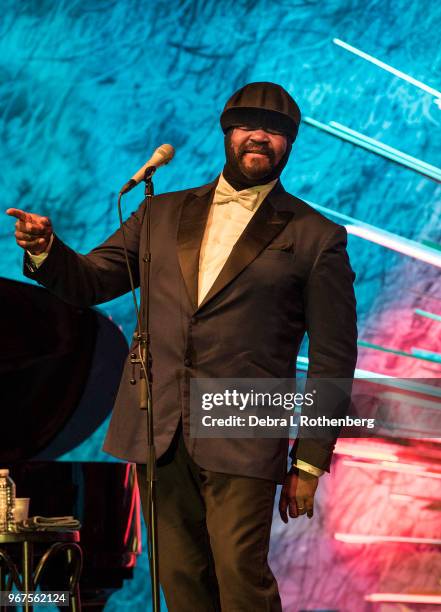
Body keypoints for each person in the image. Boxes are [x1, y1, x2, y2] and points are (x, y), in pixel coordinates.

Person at [7, 82, 357, 611]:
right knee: (181, 582)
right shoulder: (161, 212)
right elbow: (93, 281)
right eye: (248, 126)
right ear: (227, 134)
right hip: (158, 427)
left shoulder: (316, 236)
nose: (259, 137)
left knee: (241, 583)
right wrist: (48, 252)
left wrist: (308, 464)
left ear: (289, 144)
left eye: (275, 130)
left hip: (244, 431)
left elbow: (334, 358)